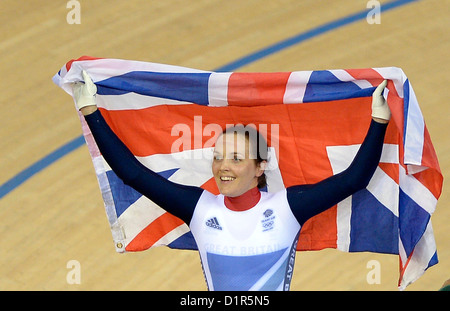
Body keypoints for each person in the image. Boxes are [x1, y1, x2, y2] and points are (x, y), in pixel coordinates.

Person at [73, 71, 390, 291]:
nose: (223, 167)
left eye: (236, 159)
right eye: (219, 157)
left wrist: (378, 122)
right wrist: (91, 111)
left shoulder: (287, 207)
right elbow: (133, 174)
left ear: (260, 167)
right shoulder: (199, 207)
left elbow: (354, 179)